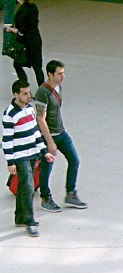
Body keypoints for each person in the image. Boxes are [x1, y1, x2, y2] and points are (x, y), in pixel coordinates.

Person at [2, 79, 54, 237]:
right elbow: (7, 140)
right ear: (15, 94)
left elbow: (35, 132)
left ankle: (20, 217)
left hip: (32, 153)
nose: (28, 96)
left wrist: (44, 151)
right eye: (24, 93)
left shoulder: (30, 110)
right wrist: (10, 162)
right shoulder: (9, 114)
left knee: (24, 186)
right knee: (29, 187)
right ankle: (29, 220)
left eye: (28, 92)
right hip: (20, 156)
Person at [35, 60, 87, 212]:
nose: (63, 76)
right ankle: (45, 198)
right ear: (50, 74)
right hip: (48, 136)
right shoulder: (43, 92)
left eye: (63, 72)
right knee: (47, 168)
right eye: (59, 73)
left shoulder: (58, 87)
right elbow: (40, 118)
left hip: (61, 132)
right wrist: (50, 142)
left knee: (74, 160)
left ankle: (70, 193)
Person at [4, 0, 44, 85]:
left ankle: (24, 85)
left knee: (17, 64)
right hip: (36, 40)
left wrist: (10, 29)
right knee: (38, 68)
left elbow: (21, 32)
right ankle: (42, 90)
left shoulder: (21, 12)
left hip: (27, 44)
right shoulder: (33, 7)